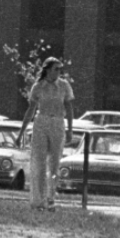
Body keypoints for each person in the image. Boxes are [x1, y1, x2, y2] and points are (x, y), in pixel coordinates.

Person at [19, 57, 74, 211]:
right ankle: (38, 200)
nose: (59, 72)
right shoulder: (38, 86)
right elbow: (31, 109)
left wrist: (70, 129)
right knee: (39, 162)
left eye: (60, 69)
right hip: (41, 121)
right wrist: (21, 132)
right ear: (48, 70)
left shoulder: (64, 86)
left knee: (55, 163)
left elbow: (69, 108)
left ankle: (51, 199)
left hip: (57, 122)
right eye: (56, 69)